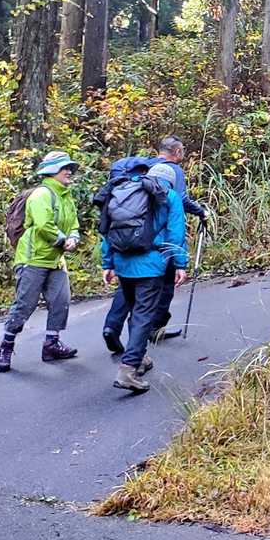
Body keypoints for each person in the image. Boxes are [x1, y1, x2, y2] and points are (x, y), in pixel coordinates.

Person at [101, 135, 207, 352]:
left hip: (126, 242)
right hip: (156, 245)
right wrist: (201, 212)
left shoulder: (143, 170)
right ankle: (152, 330)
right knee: (163, 285)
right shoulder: (172, 171)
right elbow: (178, 201)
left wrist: (108, 260)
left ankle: (112, 326)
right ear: (177, 152)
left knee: (128, 285)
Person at [102, 162, 189, 393]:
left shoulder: (123, 191)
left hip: (122, 263)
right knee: (143, 316)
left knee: (135, 311)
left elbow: (106, 229)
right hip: (150, 265)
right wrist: (180, 263)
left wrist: (108, 263)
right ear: (170, 182)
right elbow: (176, 233)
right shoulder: (169, 195)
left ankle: (139, 357)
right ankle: (128, 369)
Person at [0, 151, 81, 373]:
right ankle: (6, 345)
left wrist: (74, 237)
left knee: (61, 301)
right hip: (33, 259)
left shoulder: (66, 196)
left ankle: (51, 344)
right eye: (65, 168)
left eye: (70, 168)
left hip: (55, 260)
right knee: (25, 305)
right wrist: (63, 241)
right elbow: (44, 225)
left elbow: (74, 224)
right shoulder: (41, 194)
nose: (69, 172)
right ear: (52, 171)